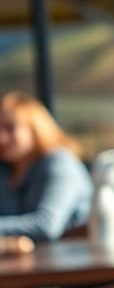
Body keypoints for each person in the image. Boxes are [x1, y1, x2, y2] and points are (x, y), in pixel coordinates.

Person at [0, 92, 92, 242]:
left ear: (36, 129)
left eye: (10, 128)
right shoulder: (6, 172)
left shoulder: (60, 163)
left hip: (73, 261)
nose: (1, 138)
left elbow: (46, 225)